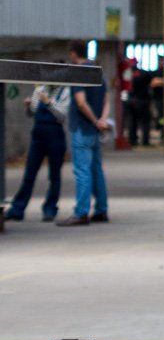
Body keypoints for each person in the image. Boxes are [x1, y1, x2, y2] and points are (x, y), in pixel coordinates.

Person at [60, 42, 109, 226]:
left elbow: (80, 102)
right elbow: (106, 100)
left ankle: (81, 212)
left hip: (82, 128)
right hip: (96, 131)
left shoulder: (78, 73)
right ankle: (101, 210)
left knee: (82, 171)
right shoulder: (97, 71)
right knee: (97, 170)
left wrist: (94, 120)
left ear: (73, 54)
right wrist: (102, 121)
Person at [7, 83, 69, 222]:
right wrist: (28, 106)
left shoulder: (65, 92)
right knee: (29, 174)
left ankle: (50, 208)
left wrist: (48, 103)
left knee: (54, 176)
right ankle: (17, 209)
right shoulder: (40, 89)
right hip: (38, 135)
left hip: (55, 135)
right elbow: (33, 112)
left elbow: (62, 116)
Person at [124, 59, 155, 148]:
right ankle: (145, 141)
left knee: (132, 122)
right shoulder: (144, 73)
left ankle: (132, 140)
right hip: (142, 101)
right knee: (145, 122)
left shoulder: (127, 74)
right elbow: (151, 83)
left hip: (131, 100)